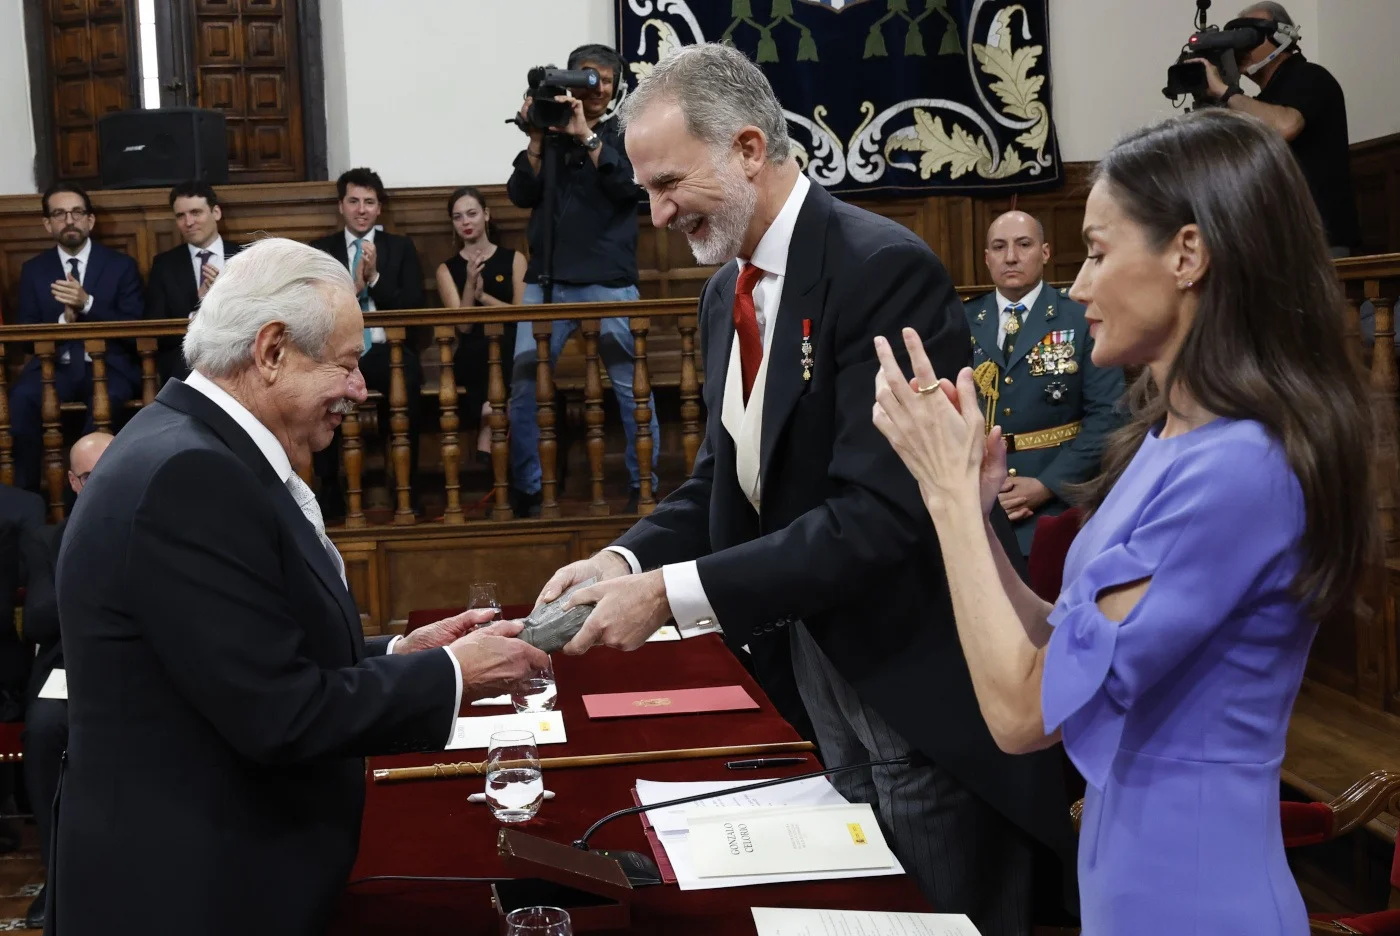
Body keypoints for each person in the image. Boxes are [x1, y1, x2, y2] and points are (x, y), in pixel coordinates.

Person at [534, 44, 1074, 935]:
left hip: (919, 687)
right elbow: (727, 478)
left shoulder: (880, 269)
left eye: (670, 184)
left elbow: (879, 520)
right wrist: (621, 555)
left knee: (938, 914)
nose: (657, 213)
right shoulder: (723, 296)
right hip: (815, 668)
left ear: (749, 147)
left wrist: (665, 595)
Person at [872, 108, 1372, 935]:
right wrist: (971, 505)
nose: (1077, 286)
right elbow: (1061, 643)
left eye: (1098, 252)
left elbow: (1022, 715)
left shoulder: (1239, 467)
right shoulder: (1172, 437)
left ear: (1188, 253)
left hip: (1199, 897)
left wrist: (949, 498)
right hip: (1129, 883)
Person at [50, 237, 548, 935]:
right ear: (273, 350)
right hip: (193, 893)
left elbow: (248, 646)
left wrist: (397, 654)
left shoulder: (196, 448)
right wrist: (451, 676)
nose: (360, 389)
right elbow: (278, 713)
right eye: (346, 364)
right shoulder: (188, 477)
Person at [506, 42, 658, 516]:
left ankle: (644, 485)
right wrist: (535, 136)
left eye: (605, 81)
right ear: (567, 80)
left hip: (609, 280)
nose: (596, 87)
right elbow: (521, 194)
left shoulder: (628, 131)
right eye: (586, 78)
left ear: (615, 89)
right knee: (523, 386)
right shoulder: (549, 132)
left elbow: (627, 190)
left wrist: (587, 136)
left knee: (632, 388)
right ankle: (530, 488)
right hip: (548, 279)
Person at [965, 211, 1123, 555]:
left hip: (1059, 505)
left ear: (1046, 253)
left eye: (1023, 244)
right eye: (999, 246)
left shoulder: (1081, 317)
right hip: (978, 507)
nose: (1011, 256)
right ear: (987, 258)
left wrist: (1047, 485)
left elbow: (1109, 416)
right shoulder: (963, 320)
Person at [20, 430, 111, 931]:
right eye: (94, 477)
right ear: (75, 483)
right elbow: (37, 618)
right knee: (45, 728)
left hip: (142, 659)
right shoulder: (47, 539)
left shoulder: (155, 520)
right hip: (68, 664)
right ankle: (59, 879)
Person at [1191, 2, 1358, 254]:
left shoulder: (1310, 76)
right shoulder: (1256, 102)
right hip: (1277, 241)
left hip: (1319, 241)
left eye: (1250, 36)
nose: (1241, 50)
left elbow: (1285, 126)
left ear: (1282, 37)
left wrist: (1226, 93)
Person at [9, 183, 143, 493]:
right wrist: (62, 322)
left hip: (110, 367)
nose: (69, 220)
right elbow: (25, 336)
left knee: (103, 408)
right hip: (53, 369)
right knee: (19, 403)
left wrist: (87, 305)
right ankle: (25, 502)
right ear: (47, 223)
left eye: (77, 212)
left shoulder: (120, 266)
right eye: (59, 214)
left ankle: (83, 505)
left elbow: (134, 326)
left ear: (90, 220)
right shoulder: (34, 270)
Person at [310, 168, 426, 520]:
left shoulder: (400, 248)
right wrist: (351, 290)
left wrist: (374, 278)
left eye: (369, 202)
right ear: (341, 206)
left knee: (407, 378)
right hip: (336, 355)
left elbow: (413, 309)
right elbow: (312, 307)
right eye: (354, 201)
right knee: (316, 390)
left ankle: (406, 485)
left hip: (385, 351)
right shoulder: (321, 250)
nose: (361, 209)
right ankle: (329, 490)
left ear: (379, 209)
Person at [435, 186, 525, 467]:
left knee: (507, 350)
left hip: (513, 344)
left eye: (472, 214)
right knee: (483, 351)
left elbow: (521, 315)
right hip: (473, 352)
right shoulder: (446, 269)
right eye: (458, 217)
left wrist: (484, 296)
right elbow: (463, 325)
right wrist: (470, 284)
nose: (466, 222)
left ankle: (489, 438)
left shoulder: (514, 259)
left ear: (486, 214)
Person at [145, 181, 244, 383]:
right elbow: (156, 327)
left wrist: (221, 297)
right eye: (181, 216)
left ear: (216, 212)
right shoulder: (164, 265)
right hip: (185, 361)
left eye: (196, 213)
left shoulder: (243, 257)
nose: (188, 222)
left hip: (237, 354)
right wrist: (199, 310)